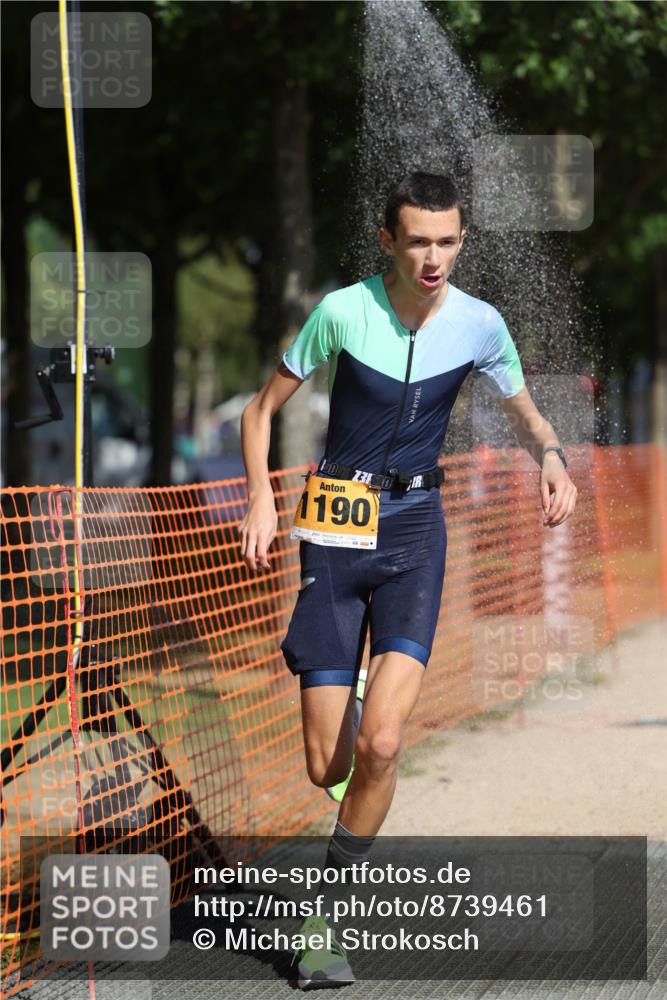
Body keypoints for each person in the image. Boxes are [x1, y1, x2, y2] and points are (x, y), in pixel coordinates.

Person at [239, 171, 578, 987]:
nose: (434, 257)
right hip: (331, 528)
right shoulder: (340, 312)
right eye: (418, 240)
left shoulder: (479, 324)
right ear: (387, 241)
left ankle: (325, 920)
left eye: (448, 241)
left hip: (417, 531)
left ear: (461, 240)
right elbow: (258, 411)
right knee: (328, 764)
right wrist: (259, 498)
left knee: (383, 743)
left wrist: (553, 458)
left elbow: (524, 412)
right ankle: (349, 717)